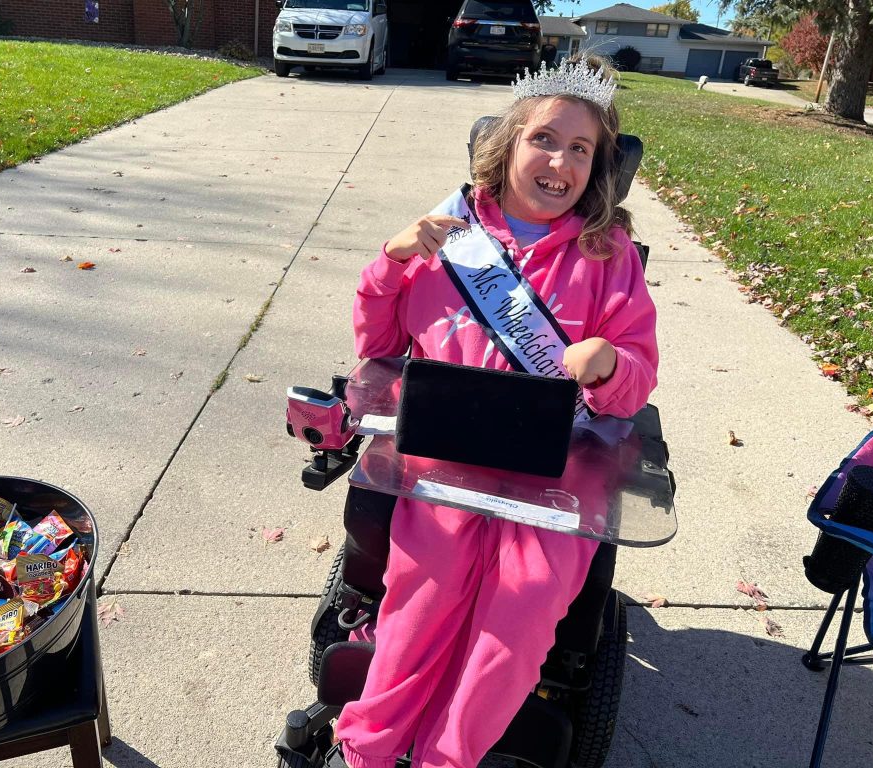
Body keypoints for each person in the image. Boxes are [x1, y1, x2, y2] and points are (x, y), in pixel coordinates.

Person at [329, 56, 659, 768]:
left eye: (581, 150)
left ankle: (448, 759)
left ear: (597, 167)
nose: (560, 161)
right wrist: (388, 264)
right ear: (507, 143)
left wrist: (608, 362)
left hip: (555, 472)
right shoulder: (448, 236)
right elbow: (379, 351)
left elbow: (633, 384)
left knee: (520, 616)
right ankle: (367, 751)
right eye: (545, 139)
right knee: (421, 604)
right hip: (445, 462)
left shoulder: (610, 253)